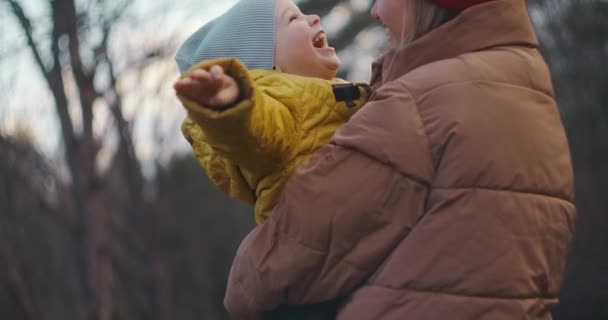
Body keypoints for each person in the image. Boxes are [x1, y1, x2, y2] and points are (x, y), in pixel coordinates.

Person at [223, 0, 577, 319]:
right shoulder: (529, 86)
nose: (376, 11)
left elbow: (286, 258)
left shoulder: (419, 102)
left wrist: (241, 277)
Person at [173, 0, 368, 225]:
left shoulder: (326, 96)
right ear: (270, 65)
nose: (314, 17)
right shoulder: (279, 111)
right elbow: (251, 130)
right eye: (293, 19)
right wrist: (231, 104)